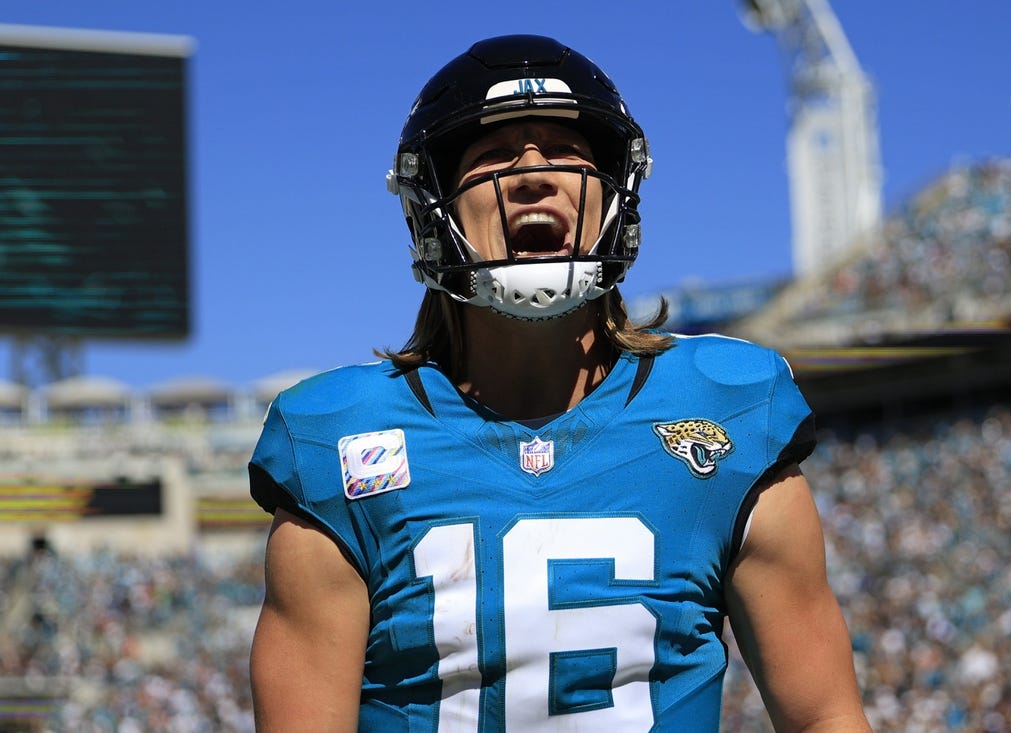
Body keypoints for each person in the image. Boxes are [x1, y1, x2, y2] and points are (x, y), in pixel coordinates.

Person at [248, 33, 871, 732]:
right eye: (492, 154)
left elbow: (824, 716)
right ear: (433, 210)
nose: (532, 173)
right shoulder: (339, 437)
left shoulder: (728, 410)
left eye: (566, 151)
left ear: (616, 196)